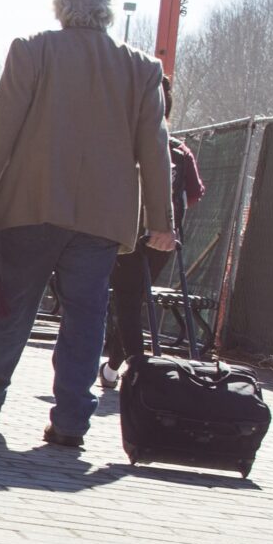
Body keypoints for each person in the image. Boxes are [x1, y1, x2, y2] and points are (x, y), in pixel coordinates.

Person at [0, 0, 174, 450]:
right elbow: (155, 150)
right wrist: (161, 221)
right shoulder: (141, 69)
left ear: (61, 11)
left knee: (12, 306)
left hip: (32, 204)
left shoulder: (32, 51)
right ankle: (72, 419)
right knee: (87, 316)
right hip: (102, 218)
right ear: (107, 14)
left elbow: (2, 126)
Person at [102, 80, 207, 387]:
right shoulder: (180, 150)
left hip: (128, 233)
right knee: (133, 300)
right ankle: (112, 368)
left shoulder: (127, 143)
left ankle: (138, 371)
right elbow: (195, 194)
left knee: (127, 302)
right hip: (165, 238)